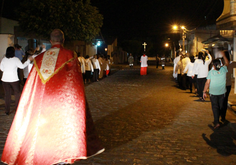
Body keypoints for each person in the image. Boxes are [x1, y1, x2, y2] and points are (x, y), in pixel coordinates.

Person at [1, 29, 104, 165]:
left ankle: (43, 154)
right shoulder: (70, 55)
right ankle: (63, 155)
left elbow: (32, 83)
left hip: (43, 100)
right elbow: (75, 82)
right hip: (62, 100)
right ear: (63, 40)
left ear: (50, 41)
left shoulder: (39, 59)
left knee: (43, 127)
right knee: (61, 127)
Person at [0, 46, 33, 115]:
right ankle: (17, 108)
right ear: (13, 52)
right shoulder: (16, 59)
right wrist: (28, 60)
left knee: (7, 95)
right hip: (14, 79)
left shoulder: (3, 59)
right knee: (17, 94)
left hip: (5, 79)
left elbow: (2, 69)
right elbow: (22, 66)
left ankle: (7, 110)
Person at [203, 52, 229, 129]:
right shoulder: (224, 70)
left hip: (213, 93)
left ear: (213, 65)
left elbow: (207, 83)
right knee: (220, 106)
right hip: (222, 93)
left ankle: (216, 121)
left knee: (215, 107)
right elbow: (227, 63)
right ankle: (218, 118)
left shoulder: (211, 72)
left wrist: (204, 92)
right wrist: (224, 56)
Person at [222, 50, 236, 122]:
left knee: (223, 100)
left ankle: (222, 116)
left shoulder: (227, 64)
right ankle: (222, 116)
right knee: (224, 100)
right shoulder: (228, 64)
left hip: (225, 85)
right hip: (226, 85)